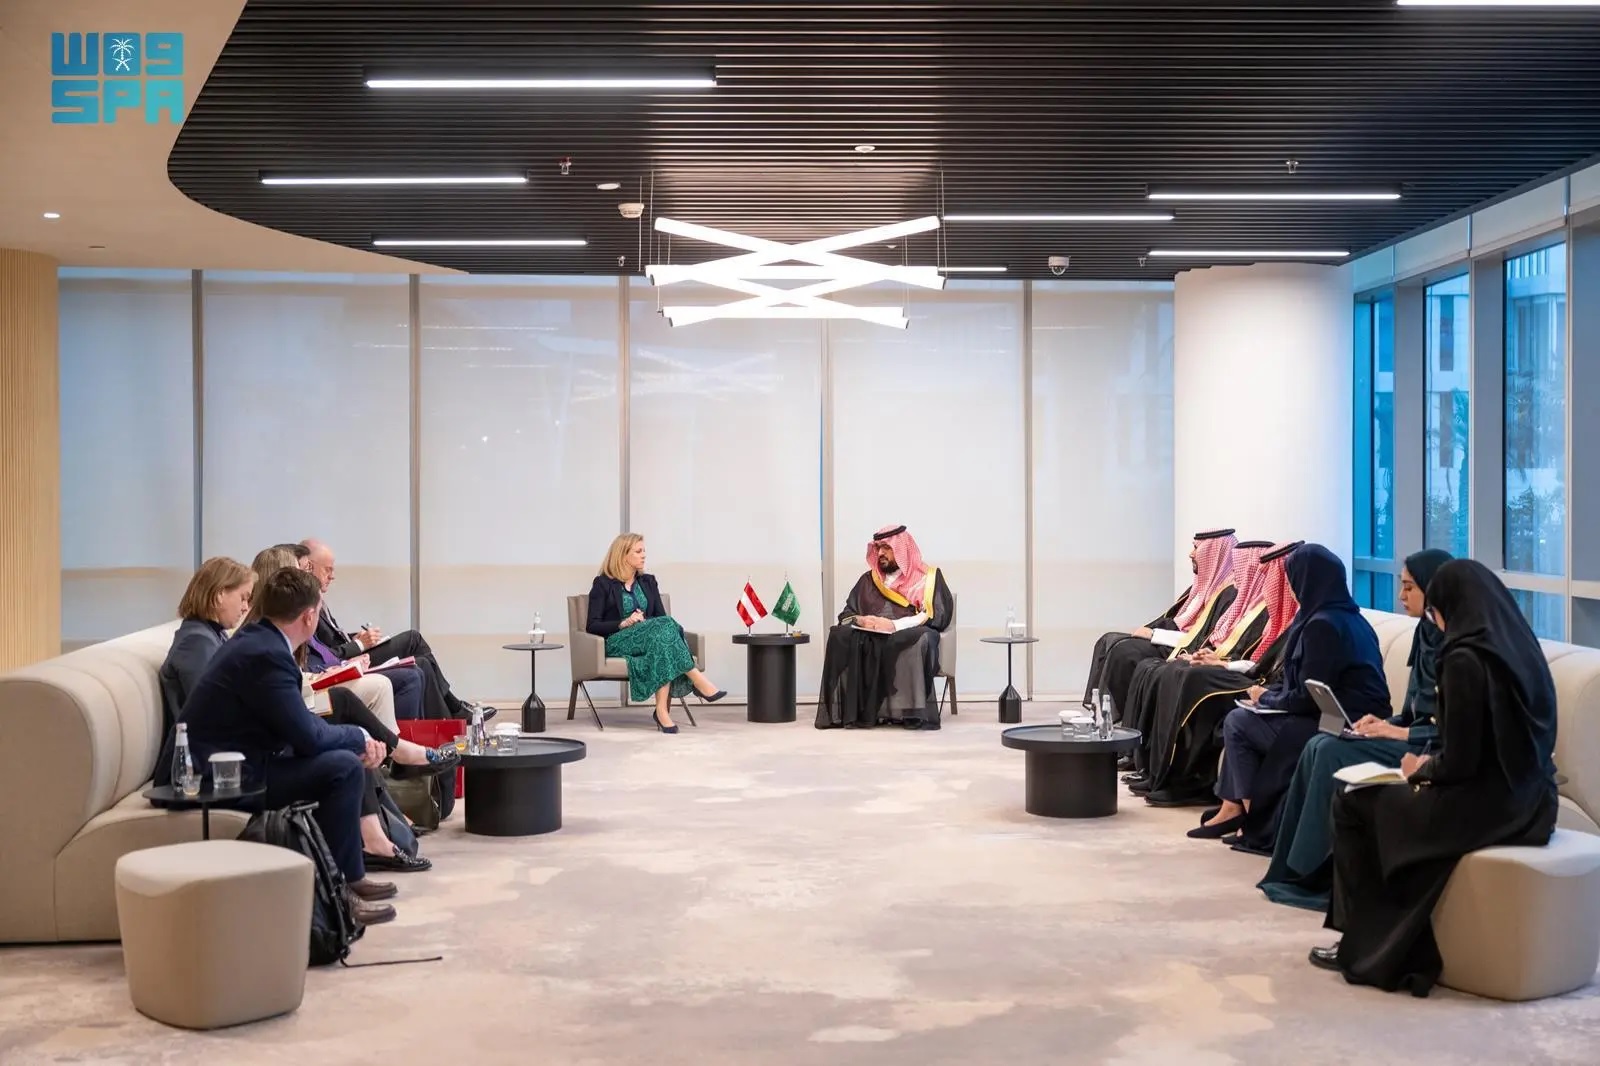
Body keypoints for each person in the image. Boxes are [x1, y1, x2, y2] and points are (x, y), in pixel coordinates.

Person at [1311, 560, 1560, 996]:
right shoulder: (1520, 648)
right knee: (1381, 803)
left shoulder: (1463, 659)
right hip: (1535, 802)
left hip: (1489, 808)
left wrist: (1418, 770)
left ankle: (1364, 942)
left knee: (1353, 801)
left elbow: (1458, 763)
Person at [174, 566, 401, 925]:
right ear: (309, 617)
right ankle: (339, 895)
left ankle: (349, 879)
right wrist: (358, 737)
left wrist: (353, 738)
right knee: (342, 767)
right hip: (220, 778)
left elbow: (299, 724)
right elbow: (307, 736)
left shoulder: (260, 642)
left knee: (340, 756)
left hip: (242, 762)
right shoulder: (267, 654)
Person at [1260, 549, 1452, 910]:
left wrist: (1403, 733)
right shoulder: (1427, 632)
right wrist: (1384, 725)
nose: (1401, 595)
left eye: (1409, 587)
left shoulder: (1460, 647)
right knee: (1321, 742)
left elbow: (1455, 729)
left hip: (1434, 749)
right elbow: (1414, 711)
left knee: (1330, 750)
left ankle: (1315, 875)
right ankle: (1293, 867)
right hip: (1413, 736)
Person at [1191, 544, 1388, 847]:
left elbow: (1308, 697)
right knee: (1243, 716)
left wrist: (1265, 699)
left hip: (1340, 722)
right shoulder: (1345, 617)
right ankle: (1233, 808)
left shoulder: (1322, 625)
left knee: (1239, 722)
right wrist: (1268, 696)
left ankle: (1254, 819)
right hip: (1334, 714)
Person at [1132, 541, 1302, 806]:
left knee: (1194, 679)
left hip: (1266, 687)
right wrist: (1220, 662)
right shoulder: (1278, 613)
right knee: (1178, 671)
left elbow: (1264, 668)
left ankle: (1191, 781)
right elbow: (1255, 660)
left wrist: (1224, 665)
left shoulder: (1299, 618)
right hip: (1255, 677)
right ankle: (1159, 771)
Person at [1118, 540, 1272, 775]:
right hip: (1228, 666)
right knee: (1153, 667)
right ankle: (1144, 760)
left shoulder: (1264, 611)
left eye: (1241, 568)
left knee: (1182, 674)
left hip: (1256, 682)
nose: (1236, 576)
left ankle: (1178, 775)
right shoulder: (1237, 601)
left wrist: (1222, 663)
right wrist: (1205, 656)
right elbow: (1210, 638)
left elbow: (1261, 663)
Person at [301, 538, 482, 721]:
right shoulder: (305, 607)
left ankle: (447, 723)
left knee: (422, 663)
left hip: (348, 656)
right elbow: (324, 654)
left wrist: (355, 638)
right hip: (342, 664)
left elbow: (330, 640)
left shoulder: (316, 600)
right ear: (309, 566)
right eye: (327, 569)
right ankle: (454, 710)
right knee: (413, 639)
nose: (332, 576)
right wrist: (359, 645)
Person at [816, 525, 956, 731]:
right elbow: (847, 614)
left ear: (902, 549)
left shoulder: (928, 578)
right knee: (839, 634)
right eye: (878, 548)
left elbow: (937, 615)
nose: (880, 553)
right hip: (872, 634)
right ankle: (852, 712)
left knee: (923, 638)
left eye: (886, 547)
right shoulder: (869, 580)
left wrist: (893, 625)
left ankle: (911, 712)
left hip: (908, 631)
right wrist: (862, 621)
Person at [585, 533, 726, 733]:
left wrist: (645, 624)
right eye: (638, 551)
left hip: (650, 638)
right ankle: (697, 680)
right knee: (665, 630)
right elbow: (592, 625)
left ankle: (661, 711)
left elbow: (661, 617)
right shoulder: (603, 584)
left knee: (664, 632)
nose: (644, 555)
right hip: (618, 640)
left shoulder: (648, 581)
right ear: (623, 554)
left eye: (644, 551)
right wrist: (624, 622)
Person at [1099, 530, 1241, 721]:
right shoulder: (1200, 586)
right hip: (1176, 641)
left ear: (1213, 553)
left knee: (1126, 652)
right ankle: (1102, 714)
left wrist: (1154, 634)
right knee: (1110, 640)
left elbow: (1205, 638)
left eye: (1196, 548)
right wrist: (1150, 631)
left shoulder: (1229, 594)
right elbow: (1176, 619)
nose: (1191, 554)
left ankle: (1123, 723)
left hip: (1186, 647)